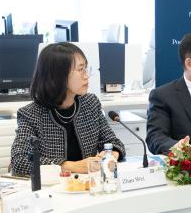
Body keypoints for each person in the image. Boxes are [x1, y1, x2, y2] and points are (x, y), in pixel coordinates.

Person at [10, 43, 126, 176]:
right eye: (80, 69)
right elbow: (19, 161)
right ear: (58, 75)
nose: (86, 76)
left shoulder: (90, 104)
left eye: (86, 68)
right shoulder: (31, 114)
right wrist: (71, 166)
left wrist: (112, 154)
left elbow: (114, 143)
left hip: (88, 185)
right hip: (54, 187)